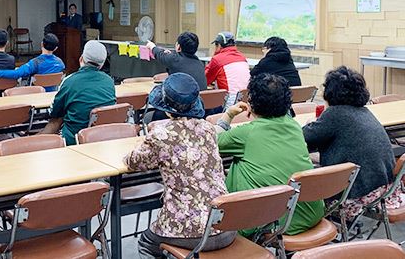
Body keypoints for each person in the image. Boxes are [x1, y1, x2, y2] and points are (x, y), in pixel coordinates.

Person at [124, 73, 235, 258]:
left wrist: (139, 145)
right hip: (226, 224)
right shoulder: (208, 129)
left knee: (146, 243)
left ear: (167, 110)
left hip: (188, 231)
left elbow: (133, 162)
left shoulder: (161, 135)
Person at [216, 73, 324, 236]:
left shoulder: (247, 133)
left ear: (252, 103)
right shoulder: (294, 126)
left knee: (236, 167)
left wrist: (228, 115)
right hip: (310, 215)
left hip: (273, 222)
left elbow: (212, 142)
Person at [302, 66, 400, 220]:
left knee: (302, 191)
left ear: (330, 92)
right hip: (385, 189)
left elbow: (303, 137)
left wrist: (310, 123)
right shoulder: (364, 111)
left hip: (354, 196)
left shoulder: (335, 114)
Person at [41, 40, 115, 145]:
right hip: (102, 138)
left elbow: (55, 112)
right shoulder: (109, 81)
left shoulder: (69, 81)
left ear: (81, 59)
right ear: (102, 64)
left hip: (74, 140)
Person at [0, 33, 65, 92]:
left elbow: (17, 73)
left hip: (36, 94)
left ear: (42, 44)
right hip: (51, 95)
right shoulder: (60, 63)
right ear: (55, 48)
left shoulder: (35, 63)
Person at [205, 31, 250, 108]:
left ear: (219, 45)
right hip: (246, 101)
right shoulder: (242, 57)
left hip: (229, 103)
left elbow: (205, 80)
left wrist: (215, 54)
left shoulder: (217, 59)